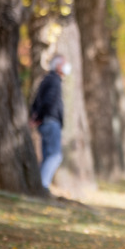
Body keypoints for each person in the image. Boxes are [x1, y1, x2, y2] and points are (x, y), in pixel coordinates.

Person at [29, 55, 69, 192]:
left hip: (45, 122)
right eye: (64, 64)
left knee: (47, 155)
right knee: (55, 156)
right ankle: (43, 185)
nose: (67, 67)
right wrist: (40, 116)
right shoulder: (55, 81)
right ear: (58, 66)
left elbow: (36, 101)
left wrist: (35, 116)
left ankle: (39, 184)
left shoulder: (46, 79)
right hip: (51, 121)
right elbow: (48, 101)